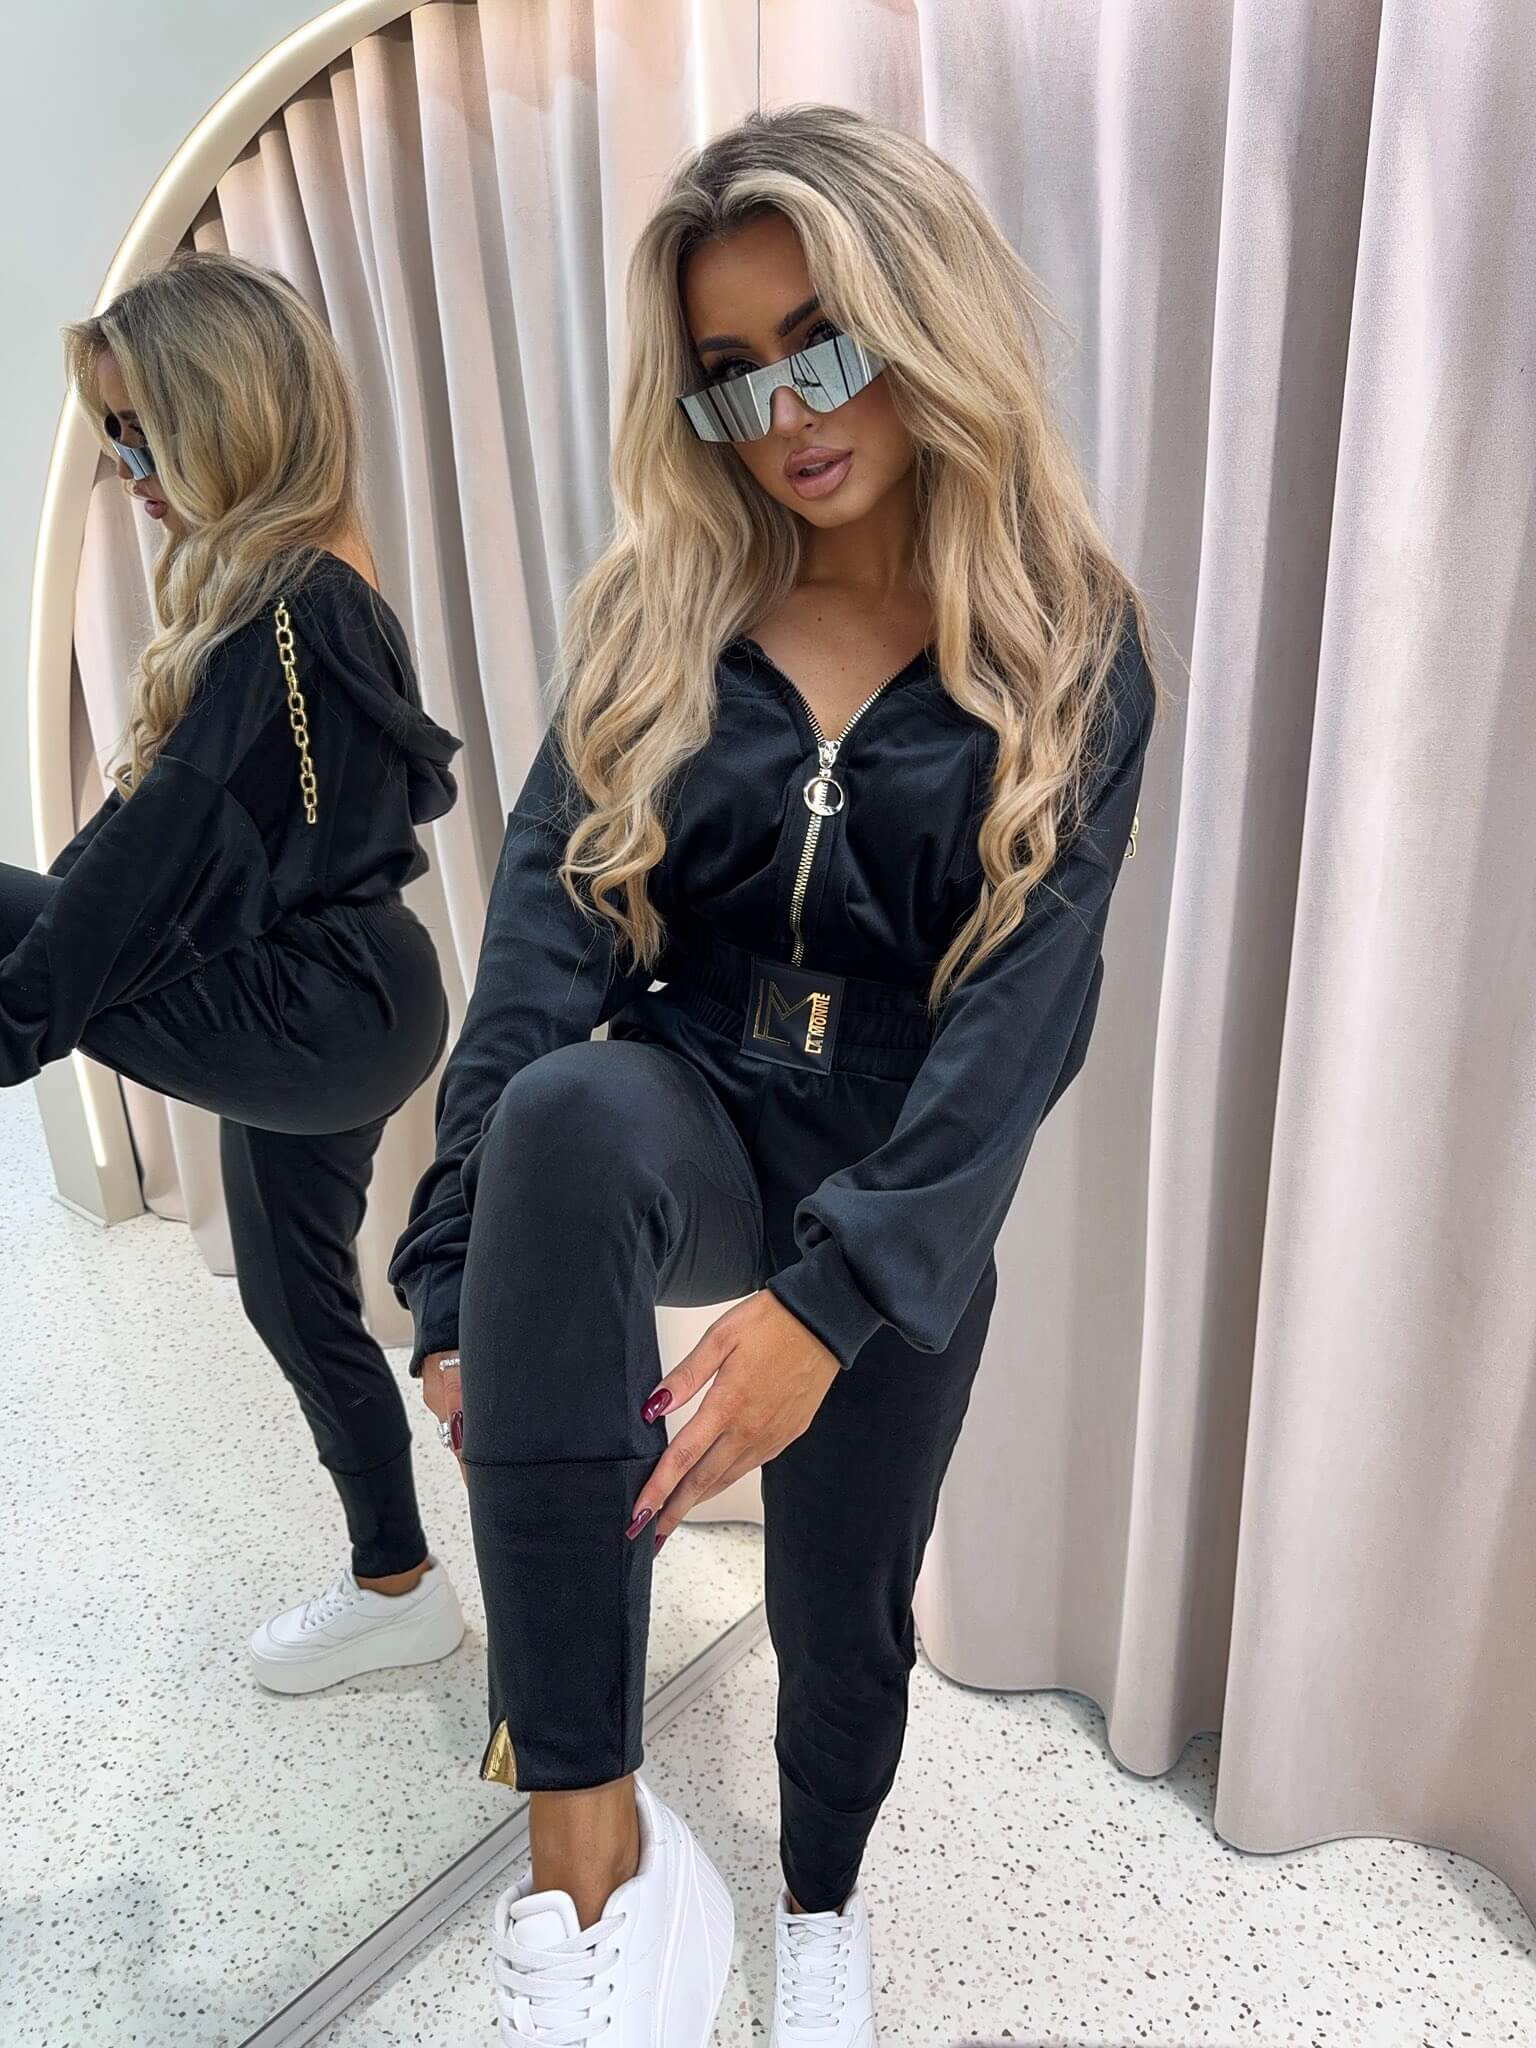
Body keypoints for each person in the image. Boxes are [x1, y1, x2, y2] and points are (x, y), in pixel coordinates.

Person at [388, 104, 1166, 2046]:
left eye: (823, 344)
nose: (785, 413)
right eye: (732, 373)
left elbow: (1023, 1026)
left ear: (923, 321)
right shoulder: (659, 621)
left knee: (846, 1598)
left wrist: (834, 1304)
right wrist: (449, 1271)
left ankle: (818, 1899)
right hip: (697, 1095)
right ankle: (598, 1873)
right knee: (566, 1111)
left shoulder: (1066, 646)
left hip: (903, 1155)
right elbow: (541, 956)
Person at [3, 249, 469, 1693]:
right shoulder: (298, 585)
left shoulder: (298, 603)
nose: (128, 471)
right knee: (294, 1296)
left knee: (34, 925)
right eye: (114, 438)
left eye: (144, 432)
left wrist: (23, 1016)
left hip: (321, 1007)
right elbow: (153, 838)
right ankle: (398, 1588)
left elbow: (159, 845)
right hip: (340, 991)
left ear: (228, 412)